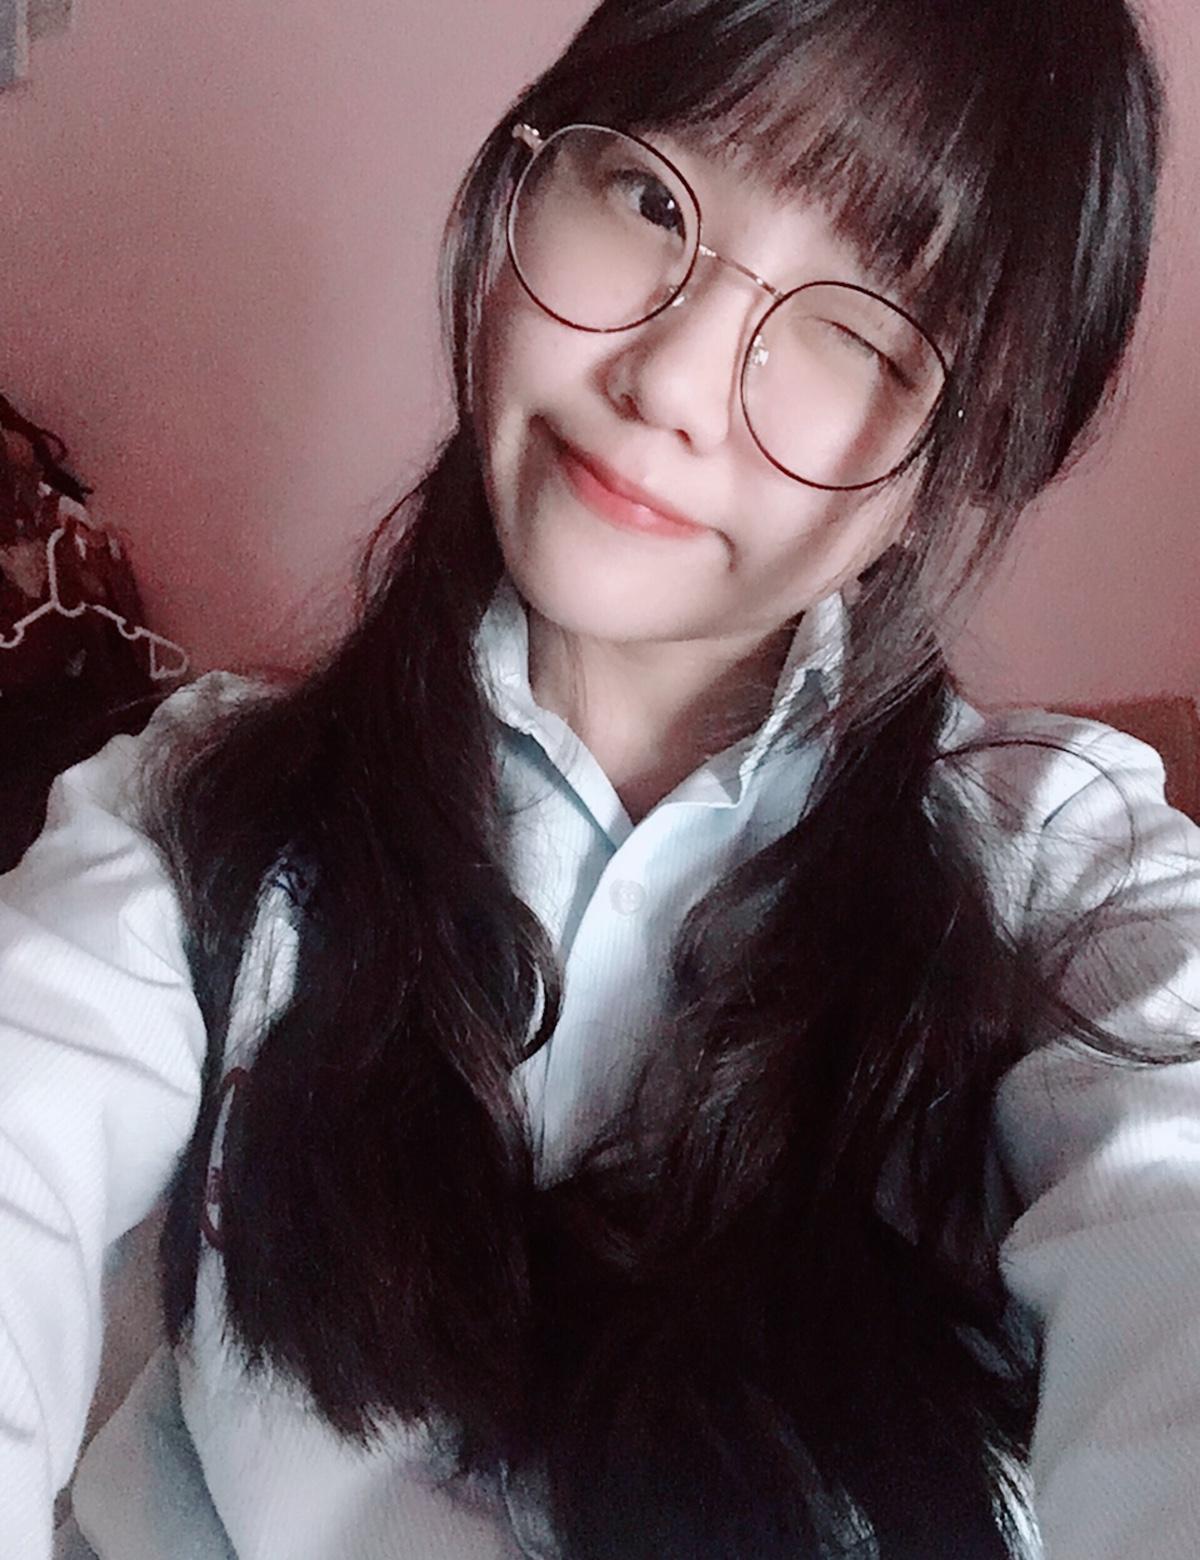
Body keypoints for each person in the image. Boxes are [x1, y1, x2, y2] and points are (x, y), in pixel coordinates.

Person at [3, 0, 1199, 1555]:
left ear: (958, 463)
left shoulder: (1062, 878)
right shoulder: (199, 812)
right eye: (649, 198)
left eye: (859, 327)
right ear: (524, 178)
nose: (676, 380)